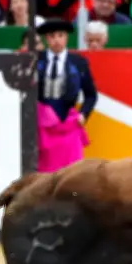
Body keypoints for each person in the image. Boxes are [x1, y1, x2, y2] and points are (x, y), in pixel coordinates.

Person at [36, 18, 98, 172]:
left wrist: (83, 114)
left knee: (70, 172)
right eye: (52, 36)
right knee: (43, 173)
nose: (56, 40)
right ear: (46, 38)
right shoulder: (36, 60)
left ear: (66, 37)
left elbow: (91, 94)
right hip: (42, 126)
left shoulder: (78, 62)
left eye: (60, 35)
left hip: (68, 124)